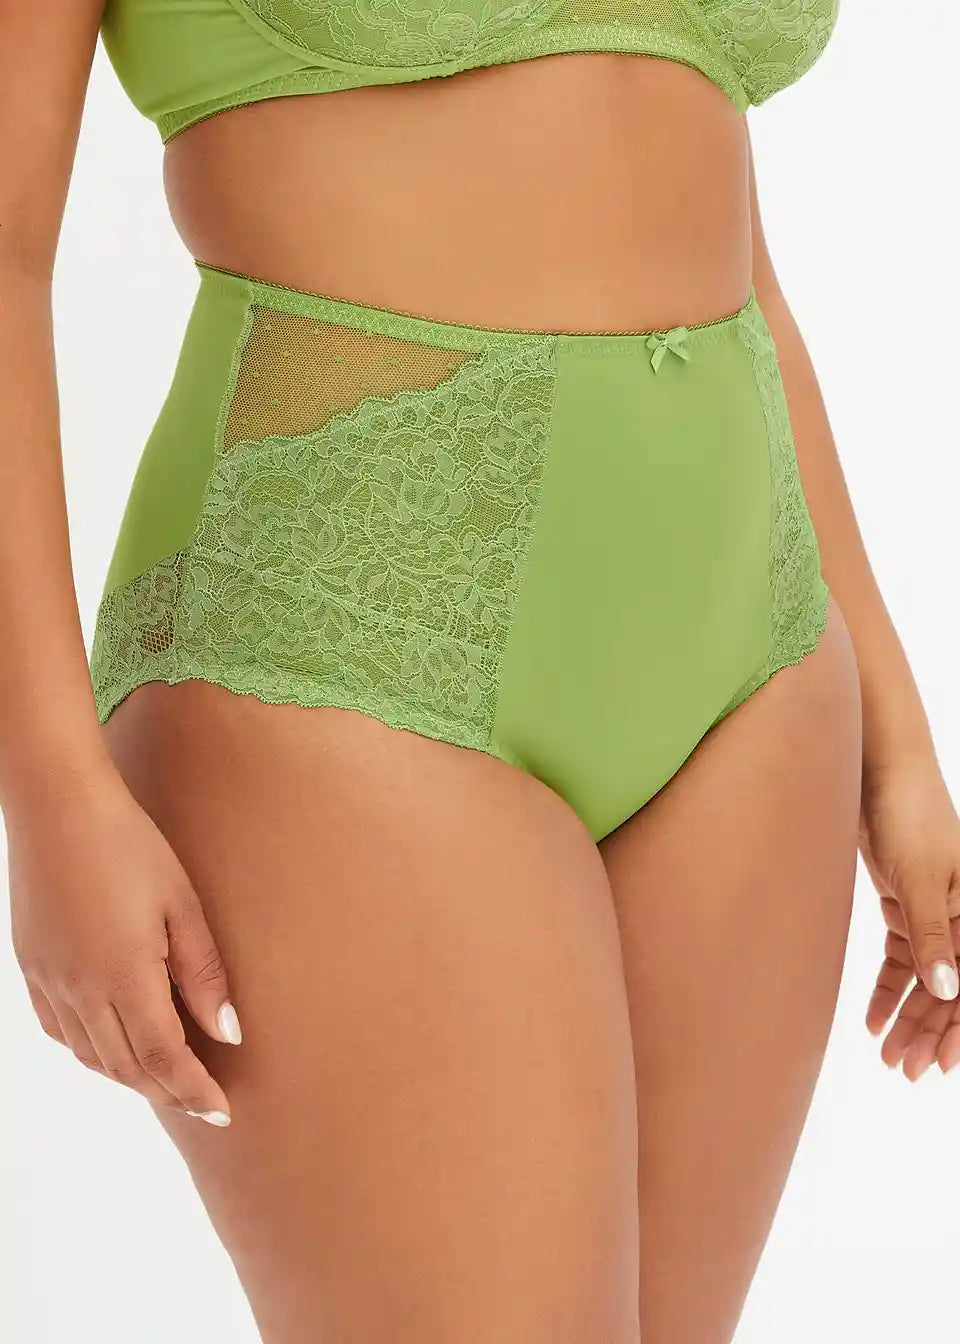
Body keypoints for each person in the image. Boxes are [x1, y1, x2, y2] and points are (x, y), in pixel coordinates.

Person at [3, 2, 958, 1341]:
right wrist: (49, 794)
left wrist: (901, 736)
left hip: (759, 657)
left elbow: (713, 216)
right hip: (341, 642)